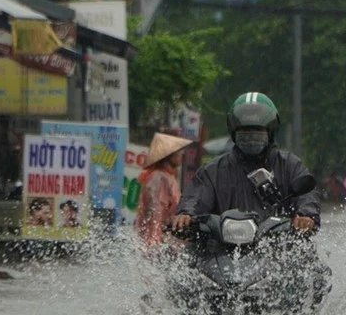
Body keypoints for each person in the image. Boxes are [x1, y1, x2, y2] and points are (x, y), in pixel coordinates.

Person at [172, 92, 319, 232]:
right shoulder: (213, 171)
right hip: (222, 250)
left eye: (257, 136)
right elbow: (196, 197)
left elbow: (306, 196)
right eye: (245, 136)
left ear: (271, 133)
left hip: (279, 248)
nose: (251, 141)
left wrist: (306, 215)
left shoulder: (289, 165)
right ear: (234, 135)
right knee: (191, 254)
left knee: (304, 255)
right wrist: (186, 214)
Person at [135, 132, 194, 247]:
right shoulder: (159, 178)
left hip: (167, 239)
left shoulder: (168, 177)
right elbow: (156, 211)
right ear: (169, 155)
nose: (181, 155)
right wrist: (154, 241)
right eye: (178, 152)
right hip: (159, 241)